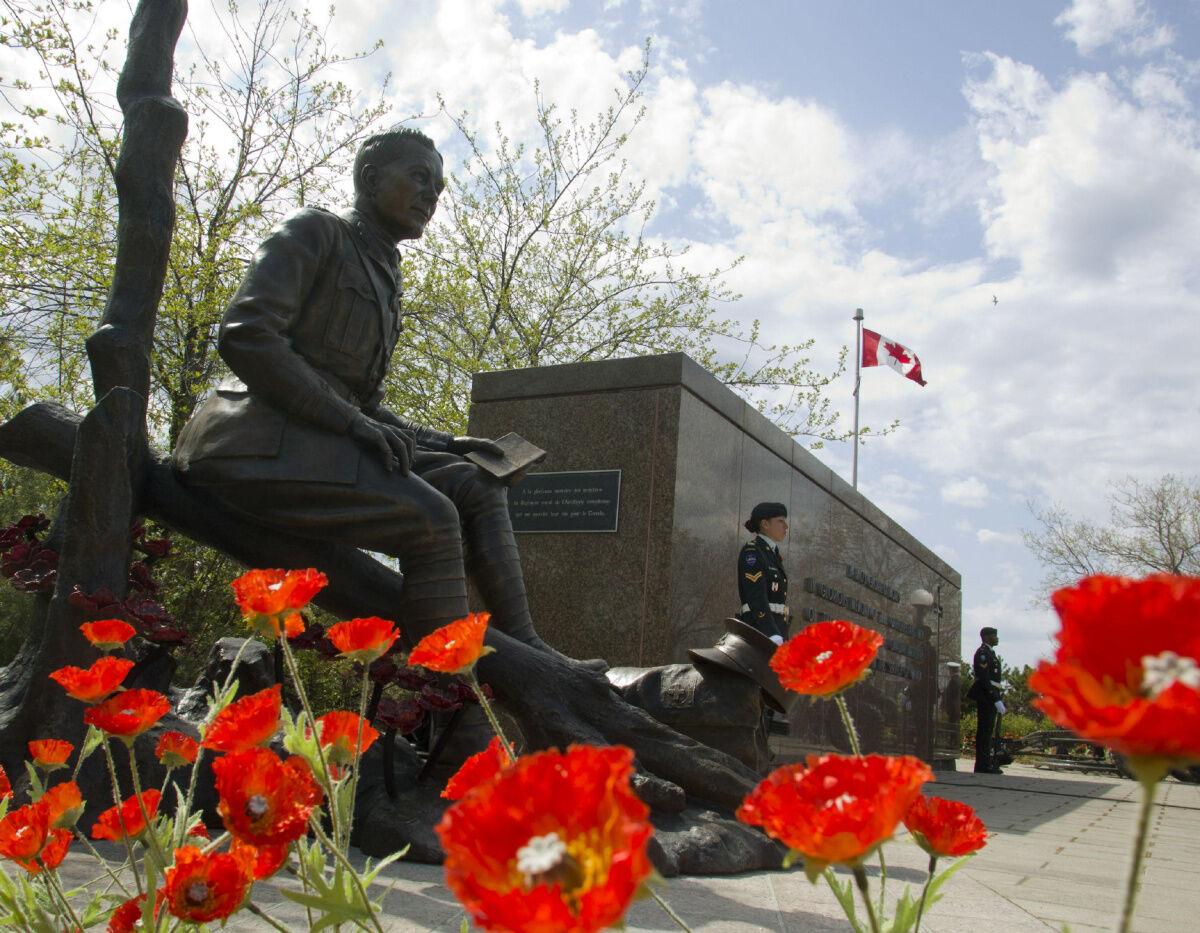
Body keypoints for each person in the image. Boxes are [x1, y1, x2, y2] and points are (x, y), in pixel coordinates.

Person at [173, 127, 556, 657]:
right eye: (420, 178)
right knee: (433, 517)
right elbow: (247, 334)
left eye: (439, 188)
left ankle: (530, 649)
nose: (432, 197)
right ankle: (450, 713)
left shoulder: (385, 272)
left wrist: (450, 444)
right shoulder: (315, 232)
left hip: (319, 437)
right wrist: (353, 423)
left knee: (476, 485)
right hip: (252, 438)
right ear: (371, 179)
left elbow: (362, 404)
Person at [737, 502, 789, 645]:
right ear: (765, 524)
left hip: (775, 631)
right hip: (759, 631)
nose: (786, 526)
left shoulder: (772, 554)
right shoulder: (753, 552)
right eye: (780, 521)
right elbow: (756, 596)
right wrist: (771, 633)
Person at [967, 626, 1006, 774]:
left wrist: (998, 697)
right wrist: (995, 699)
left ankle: (985, 763)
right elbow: (984, 678)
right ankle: (982, 765)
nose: (997, 638)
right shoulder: (983, 653)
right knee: (984, 731)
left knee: (988, 730)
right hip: (986, 695)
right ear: (986, 637)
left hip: (990, 694)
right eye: (994, 636)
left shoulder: (990, 653)